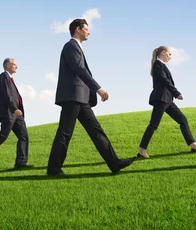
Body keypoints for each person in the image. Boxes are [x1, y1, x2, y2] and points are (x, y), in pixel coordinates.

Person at [47, 19, 135, 177]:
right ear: (77, 29)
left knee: (96, 131)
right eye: (86, 29)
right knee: (65, 132)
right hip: (73, 96)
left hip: (82, 98)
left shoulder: (77, 47)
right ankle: (54, 169)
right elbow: (79, 69)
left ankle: (114, 163)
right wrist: (98, 88)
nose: (89, 32)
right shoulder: (70, 46)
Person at [137, 46, 196, 159]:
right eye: (169, 54)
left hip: (167, 100)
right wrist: (176, 93)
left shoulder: (161, 65)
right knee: (153, 125)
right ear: (163, 53)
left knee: (182, 120)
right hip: (162, 99)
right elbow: (165, 81)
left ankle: (193, 145)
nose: (170, 57)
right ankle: (142, 151)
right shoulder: (158, 65)